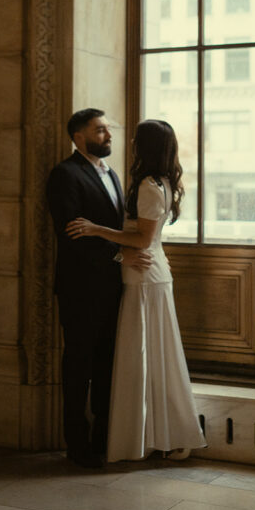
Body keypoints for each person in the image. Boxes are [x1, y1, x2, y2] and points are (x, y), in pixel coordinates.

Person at [67, 118, 207, 462]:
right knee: (153, 357)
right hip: (148, 273)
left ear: (143, 147)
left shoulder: (147, 184)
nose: (126, 140)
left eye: (134, 139)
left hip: (144, 277)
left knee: (145, 357)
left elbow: (143, 239)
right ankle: (157, 436)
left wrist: (95, 229)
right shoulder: (160, 181)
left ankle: (151, 437)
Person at [46, 108, 151, 468]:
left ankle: (104, 439)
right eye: (100, 130)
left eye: (108, 129)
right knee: (79, 366)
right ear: (79, 136)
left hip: (112, 287)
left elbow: (109, 226)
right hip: (80, 288)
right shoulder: (65, 174)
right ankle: (76, 445)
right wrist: (122, 256)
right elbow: (73, 232)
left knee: (108, 363)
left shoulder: (112, 173)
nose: (109, 135)